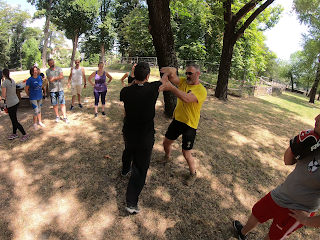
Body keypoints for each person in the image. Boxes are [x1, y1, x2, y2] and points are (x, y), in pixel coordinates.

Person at [233, 114, 320, 240]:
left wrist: (306, 220)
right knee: (257, 212)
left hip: (296, 210)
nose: (316, 118)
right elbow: (288, 161)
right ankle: (243, 233)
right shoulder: (314, 139)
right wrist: (295, 146)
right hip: (282, 192)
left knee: (273, 237)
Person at [120, 62, 162, 214]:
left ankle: (125, 169)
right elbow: (166, 79)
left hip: (129, 133)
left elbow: (131, 87)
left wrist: (133, 74)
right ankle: (131, 203)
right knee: (140, 167)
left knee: (128, 149)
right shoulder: (153, 89)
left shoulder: (125, 92)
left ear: (134, 75)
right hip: (144, 137)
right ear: (148, 76)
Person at [158, 63, 207, 186]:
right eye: (186, 73)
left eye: (190, 73)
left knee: (186, 152)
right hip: (178, 120)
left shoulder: (201, 91)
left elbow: (186, 98)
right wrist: (172, 71)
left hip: (190, 124)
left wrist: (172, 88)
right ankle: (167, 156)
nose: (187, 75)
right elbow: (172, 78)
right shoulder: (184, 81)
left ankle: (193, 173)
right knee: (166, 143)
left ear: (198, 74)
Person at [0, 68, 29, 141]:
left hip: (10, 103)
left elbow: (3, 95)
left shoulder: (5, 83)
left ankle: (24, 134)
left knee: (14, 120)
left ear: (3, 74)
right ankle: (14, 133)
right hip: (16, 101)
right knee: (14, 119)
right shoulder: (12, 80)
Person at [46, 59, 70, 124]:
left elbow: (62, 76)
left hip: (60, 89)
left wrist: (54, 78)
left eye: (53, 62)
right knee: (55, 104)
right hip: (52, 90)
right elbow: (50, 80)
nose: (52, 64)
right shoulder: (48, 71)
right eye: (50, 63)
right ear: (48, 64)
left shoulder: (59, 68)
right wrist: (57, 77)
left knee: (62, 103)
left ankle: (64, 117)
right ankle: (57, 116)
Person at [25, 66, 45, 130]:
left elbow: (41, 85)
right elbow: (26, 89)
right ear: (32, 72)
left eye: (36, 70)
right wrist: (29, 95)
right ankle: (34, 124)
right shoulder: (30, 79)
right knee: (36, 111)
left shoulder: (39, 77)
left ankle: (40, 122)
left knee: (39, 110)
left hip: (39, 96)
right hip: (33, 97)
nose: (35, 72)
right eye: (34, 71)